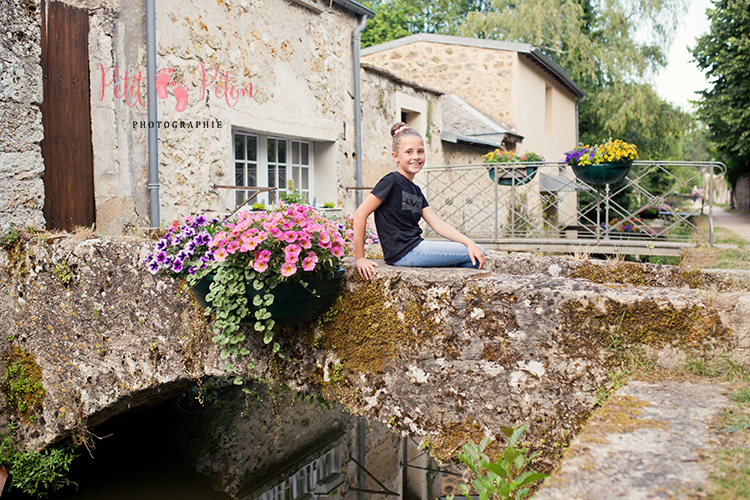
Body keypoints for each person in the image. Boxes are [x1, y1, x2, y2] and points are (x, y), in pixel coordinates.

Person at [353, 122, 486, 280]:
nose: (415, 156)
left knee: (475, 259)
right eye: (408, 152)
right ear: (395, 156)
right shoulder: (392, 180)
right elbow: (360, 214)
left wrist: (468, 242)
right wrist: (360, 258)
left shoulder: (416, 190)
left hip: (416, 248)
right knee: (480, 253)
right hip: (405, 251)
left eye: (420, 151)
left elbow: (437, 224)